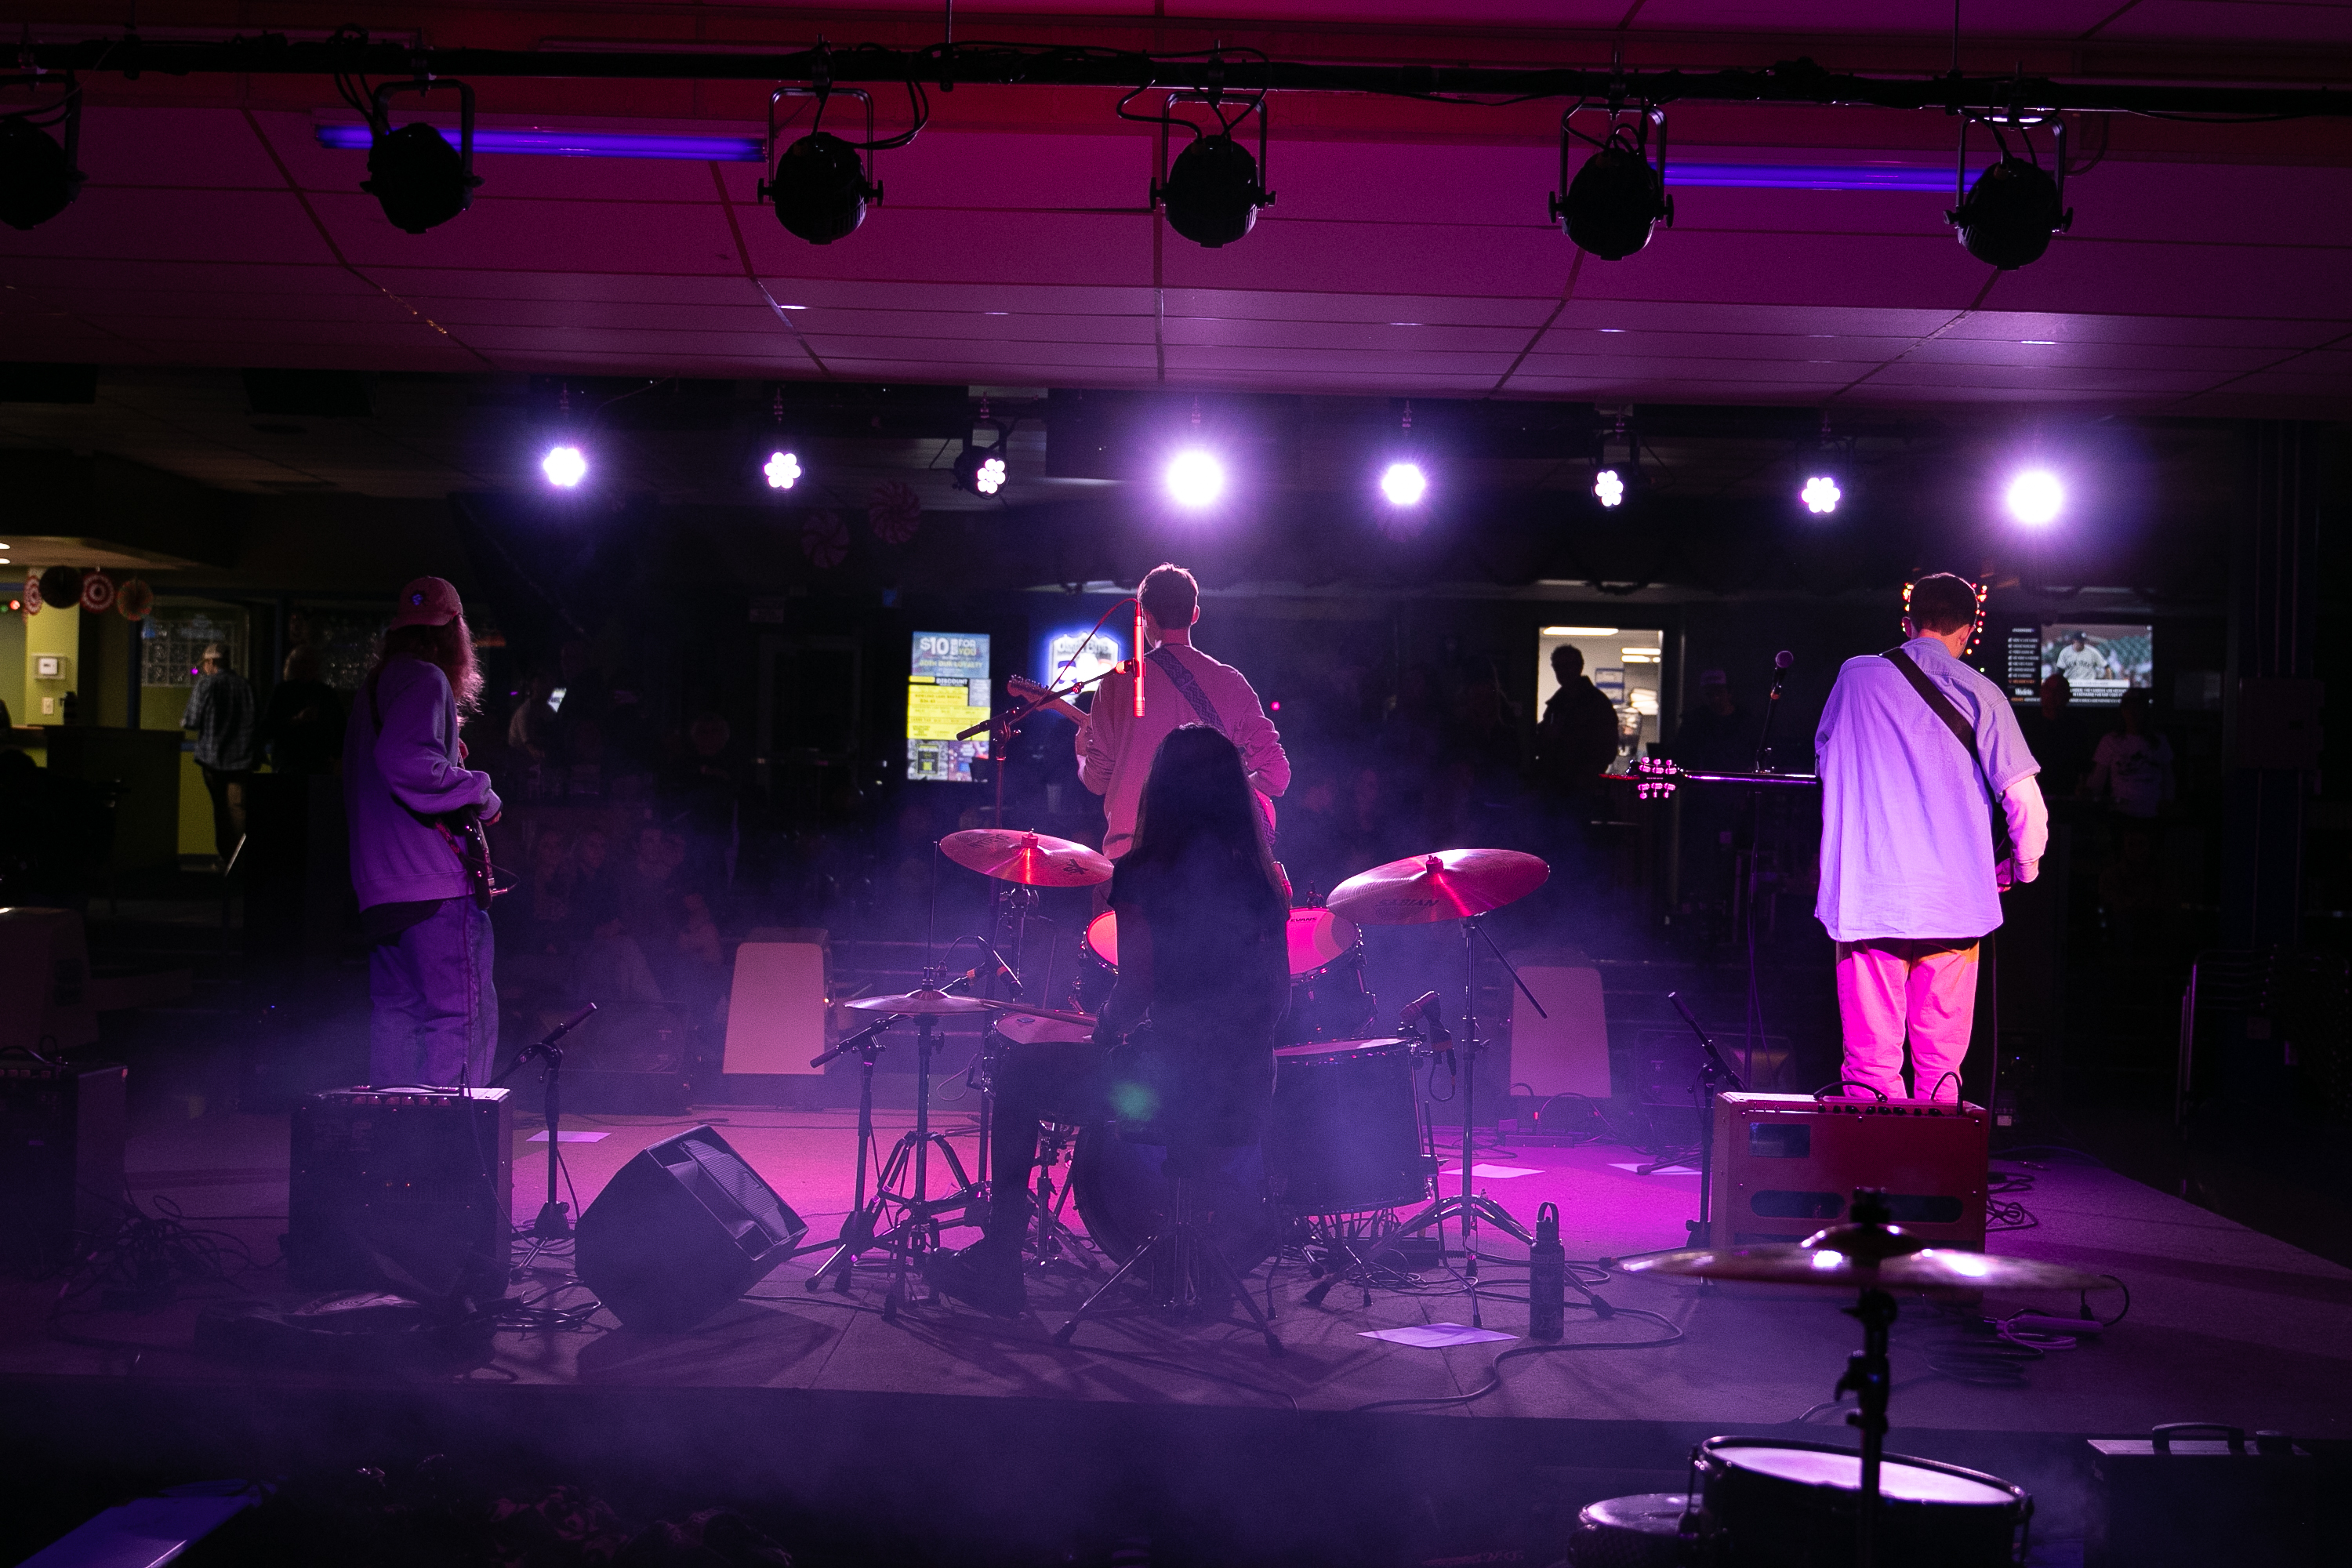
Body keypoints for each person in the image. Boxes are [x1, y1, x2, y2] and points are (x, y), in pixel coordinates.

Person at [926, 725, 1292, 1316]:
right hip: (1245, 1087)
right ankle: (1194, 1258)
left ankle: (1000, 1262)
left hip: (1170, 1086)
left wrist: (1105, 1029)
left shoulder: (1144, 872)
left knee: (1019, 1076)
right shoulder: (1263, 877)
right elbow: (1279, 997)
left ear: (1161, 790)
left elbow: (1138, 987)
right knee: (1146, 1073)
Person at [1816, 574, 2049, 1103]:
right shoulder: (1983, 692)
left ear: (1907, 621)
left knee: (1870, 1063)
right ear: (1969, 631)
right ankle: (1934, 1177)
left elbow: (1826, 763)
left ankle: (1868, 1173)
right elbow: (2026, 802)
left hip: (1871, 893)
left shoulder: (1856, 677)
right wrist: (2022, 867)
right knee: (1942, 1065)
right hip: (1953, 899)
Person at [345, 576, 503, 1089]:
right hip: (431, 887)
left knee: (397, 1020)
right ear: (456, 629)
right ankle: (450, 1149)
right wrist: (479, 791)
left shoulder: (374, 688)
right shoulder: (426, 680)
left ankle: (396, 1153)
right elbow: (405, 762)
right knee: (461, 1018)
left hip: (380, 887)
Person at [1076, 564, 1290, 862]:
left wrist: (1081, 757)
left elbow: (1097, 782)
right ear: (1194, 614)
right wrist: (1227, 787)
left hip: (1134, 862)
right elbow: (1277, 776)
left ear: (1145, 616)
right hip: (1209, 866)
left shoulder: (1118, 682)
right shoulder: (1231, 682)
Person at [181, 643, 258, 866]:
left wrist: (185, 721)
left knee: (221, 810)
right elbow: (256, 722)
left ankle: (226, 858)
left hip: (212, 760)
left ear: (211, 662)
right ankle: (243, 860)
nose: (203, 669)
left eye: (204, 664)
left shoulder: (206, 684)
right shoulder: (245, 686)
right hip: (241, 760)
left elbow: (192, 721)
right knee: (239, 810)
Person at [1535, 644, 1621, 797]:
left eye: (1568, 665)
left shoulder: (1596, 704)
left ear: (1580, 667)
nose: (1563, 671)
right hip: (1558, 785)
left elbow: (1607, 749)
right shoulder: (1558, 703)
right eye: (1558, 666)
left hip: (1578, 788)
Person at [2085, 688, 2174, 821]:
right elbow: (2098, 780)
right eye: (2129, 708)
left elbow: (2169, 778)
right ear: (2122, 712)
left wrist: (2168, 803)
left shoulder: (2159, 741)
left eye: (2138, 708)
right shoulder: (2110, 741)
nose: (2133, 713)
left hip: (2153, 813)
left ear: (2145, 711)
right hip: (2120, 814)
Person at [258, 645, 344, 776]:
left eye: (310, 662)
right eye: (303, 662)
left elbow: (339, 726)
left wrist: (338, 756)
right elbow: (269, 727)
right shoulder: (283, 692)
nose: (306, 667)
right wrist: (296, 720)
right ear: (294, 666)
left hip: (318, 763)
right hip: (289, 763)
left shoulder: (326, 694)